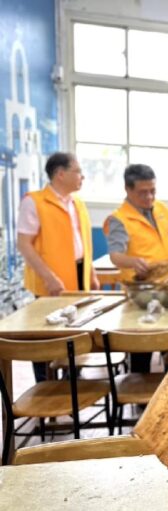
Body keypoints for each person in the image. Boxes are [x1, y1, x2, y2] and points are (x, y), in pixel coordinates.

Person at [17, 152, 99, 382]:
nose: (82, 176)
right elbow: (24, 244)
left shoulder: (77, 203)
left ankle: (72, 380)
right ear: (60, 174)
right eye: (78, 171)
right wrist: (49, 277)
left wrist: (91, 272)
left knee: (76, 331)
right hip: (50, 283)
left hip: (78, 276)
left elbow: (83, 241)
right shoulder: (34, 202)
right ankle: (45, 384)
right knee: (46, 336)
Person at [103, 164, 168, 373]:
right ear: (128, 189)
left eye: (153, 191)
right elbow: (115, 256)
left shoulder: (161, 209)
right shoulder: (119, 219)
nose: (149, 197)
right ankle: (138, 391)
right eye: (143, 192)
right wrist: (133, 262)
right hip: (141, 296)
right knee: (141, 352)